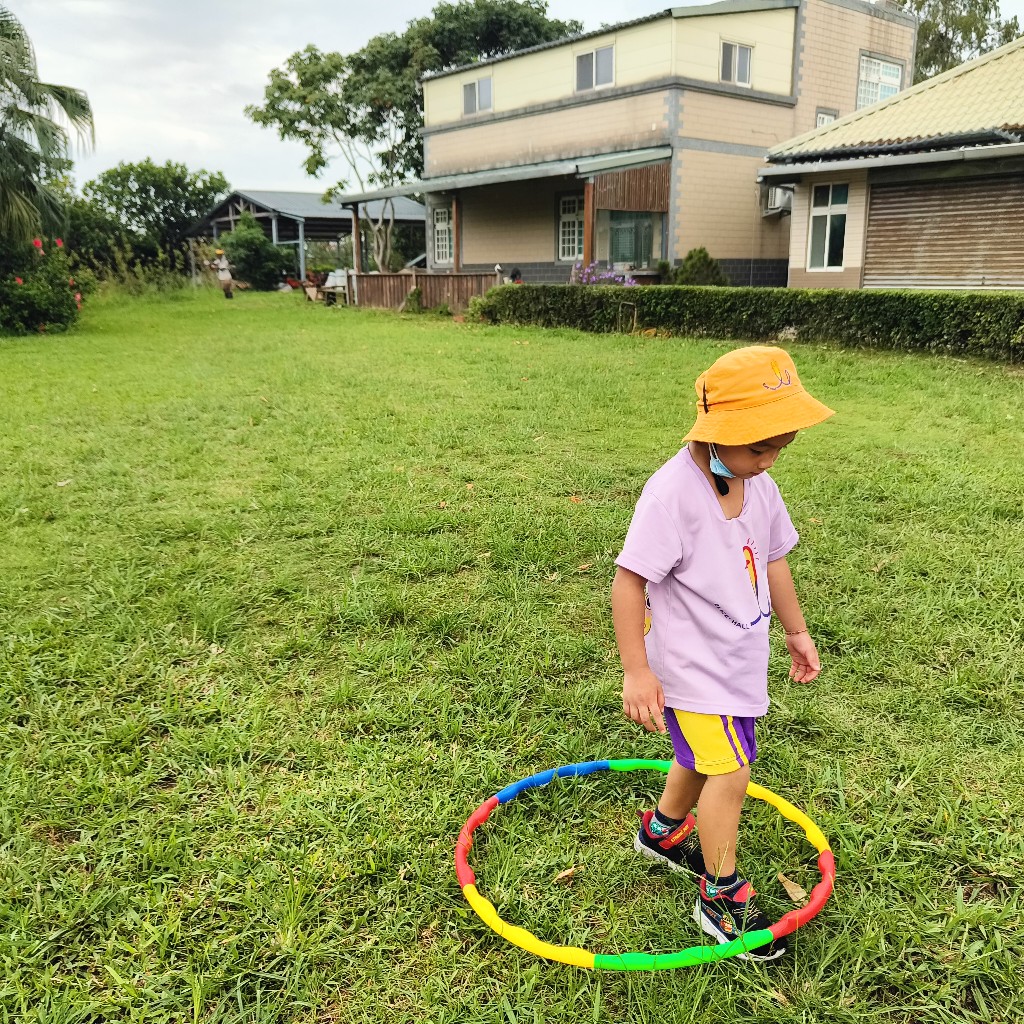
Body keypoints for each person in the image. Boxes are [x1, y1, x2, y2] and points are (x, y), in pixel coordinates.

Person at [611, 345, 834, 961]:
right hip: (690, 667)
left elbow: (774, 558)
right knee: (731, 770)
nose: (770, 460)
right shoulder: (671, 495)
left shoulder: (758, 485)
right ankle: (720, 895)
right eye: (760, 447)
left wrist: (796, 630)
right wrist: (636, 671)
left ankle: (662, 832)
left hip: (738, 659)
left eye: (782, 446)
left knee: (708, 756)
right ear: (718, 432)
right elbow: (629, 582)